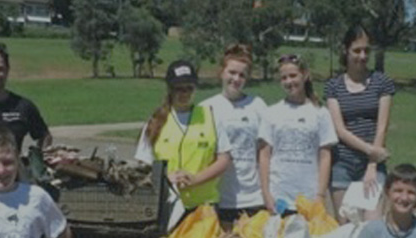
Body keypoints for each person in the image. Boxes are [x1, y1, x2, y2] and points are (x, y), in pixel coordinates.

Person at [135, 59, 231, 212]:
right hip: (165, 206)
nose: (184, 93)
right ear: (170, 89)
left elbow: (224, 160)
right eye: (178, 89)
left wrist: (195, 179)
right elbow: (143, 165)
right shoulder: (156, 121)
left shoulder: (211, 116)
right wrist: (165, 178)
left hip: (203, 207)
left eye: (189, 88)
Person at [324, 25, 395, 223]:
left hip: (373, 164)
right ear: (346, 50)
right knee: (345, 227)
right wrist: (371, 150)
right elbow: (339, 130)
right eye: (357, 50)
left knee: (372, 225)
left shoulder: (382, 82)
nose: (362, 56)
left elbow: (382, 127)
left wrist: (372, 163)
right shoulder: (333, 86)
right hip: (342, 164)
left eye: (366, 50)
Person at [258, 54, 337, 212]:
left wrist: (320, 195)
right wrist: (266, 194)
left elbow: (325, 156)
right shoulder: (271, 113)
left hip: (309, 197)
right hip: (279, 196)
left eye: (293, 76)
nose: (289, 82)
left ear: (305, 75)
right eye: (284, 78)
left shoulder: (320, 113)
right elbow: (265, 155)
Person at [200, 44, 266, 226]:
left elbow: (265, 152)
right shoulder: (206, 108)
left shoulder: (258, 105)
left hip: (253, 197)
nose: (236, 79)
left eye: (242, 75)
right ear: (221, 72)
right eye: (232, 72)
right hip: (221, 198)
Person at [0, 125, 71, 238]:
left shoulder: (36, 196)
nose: (1, 171)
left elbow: (62, 234)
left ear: (17, 161)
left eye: (8, 163)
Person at [0, 42, 52, 153]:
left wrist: (37, 161)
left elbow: (44, 136)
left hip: (9, 169)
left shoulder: (22, 106)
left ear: (7, 70)